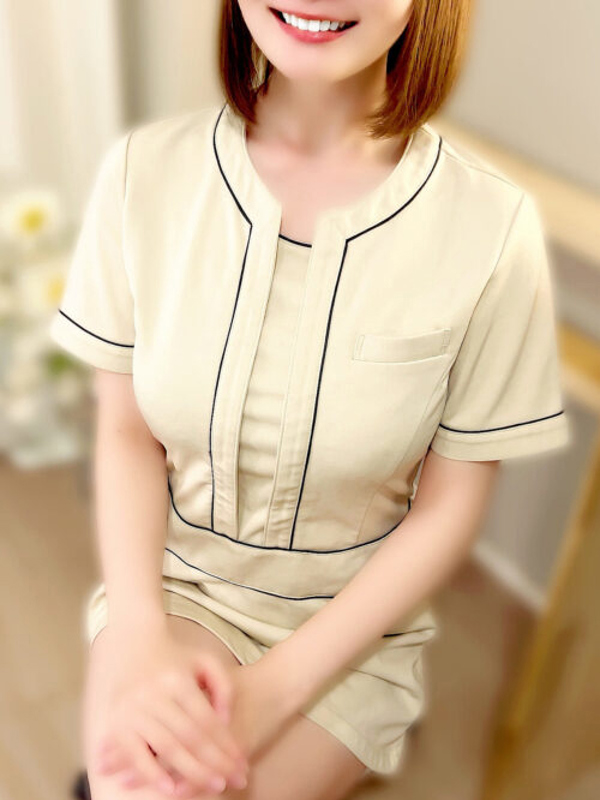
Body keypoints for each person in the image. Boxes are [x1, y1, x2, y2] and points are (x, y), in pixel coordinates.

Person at [49, 1, 572, 798]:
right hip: (176, 586)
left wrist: (268, 695)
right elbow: (125, 430)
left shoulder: (492, 231)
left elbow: (450, 508)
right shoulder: (143, 174)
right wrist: (137, 633)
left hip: (351, 627)